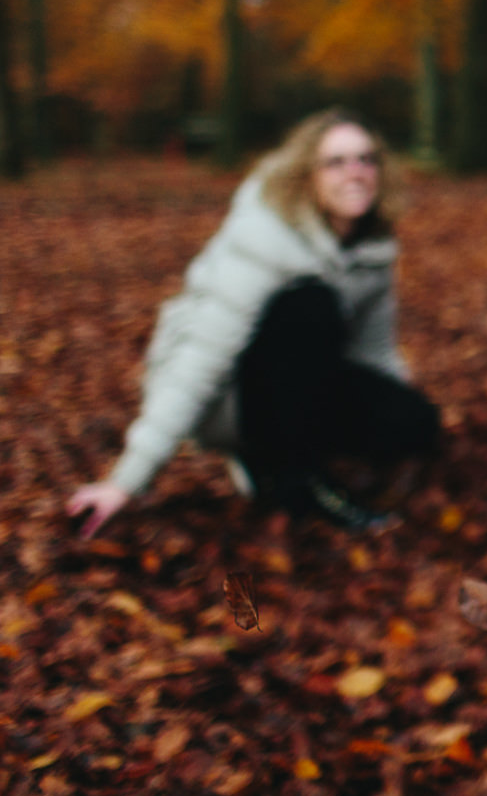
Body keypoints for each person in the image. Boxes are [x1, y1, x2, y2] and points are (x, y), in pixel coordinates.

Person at [67, 109, 438, 537]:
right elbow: (202, 359)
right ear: (306, 175)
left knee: (414, 424)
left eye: (365, 159)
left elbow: (373, 352)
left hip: (303, 378)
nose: (354, 173)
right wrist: (125, 482)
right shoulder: (265, 236)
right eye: (335, 162)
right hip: (230, 395)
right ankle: (294, 478)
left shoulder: (373, 245)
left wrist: (396, 411)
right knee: (310, 304)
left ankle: (278, 451)